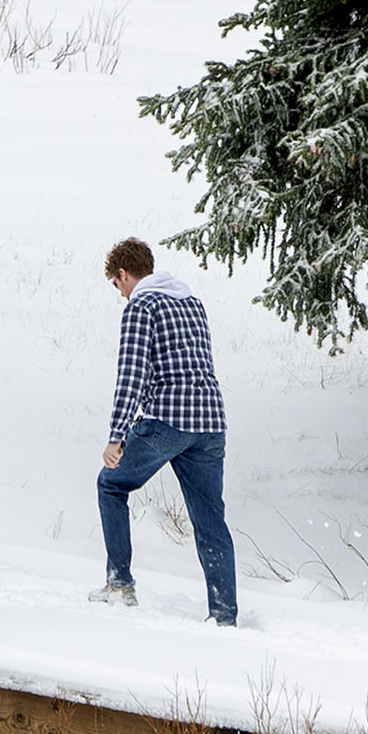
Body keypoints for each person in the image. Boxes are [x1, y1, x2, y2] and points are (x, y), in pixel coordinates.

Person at [93, 237, 237, 623]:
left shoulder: (142, 305)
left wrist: (116, 435)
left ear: (124, 274)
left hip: (167, 421)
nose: (120, 293)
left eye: (116, 283)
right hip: (210, 423)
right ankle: (224, 616)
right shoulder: (191, 302)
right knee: (211, 522)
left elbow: (132, 373)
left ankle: (119, 584)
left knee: (111, 485)